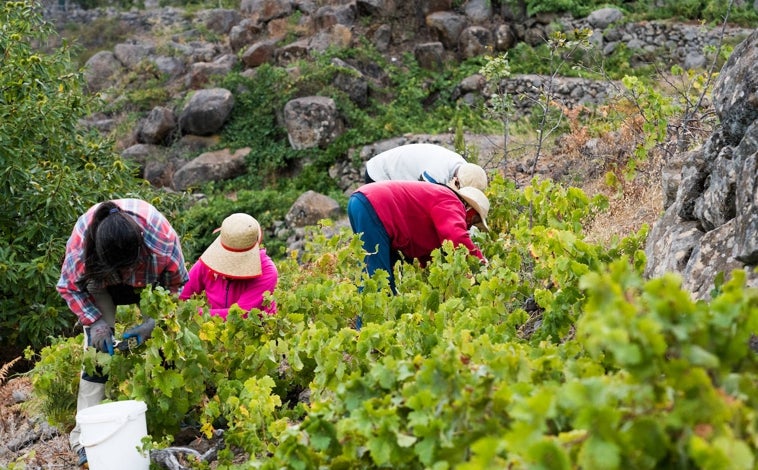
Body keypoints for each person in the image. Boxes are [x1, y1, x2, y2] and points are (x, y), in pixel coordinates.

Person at [56, 198, 188, 468]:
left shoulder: (161, 239)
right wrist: (96, 323)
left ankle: (170, 417)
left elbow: (178, 286)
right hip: (101, 284)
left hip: (150, 282)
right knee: (97, 356)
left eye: (128, 267)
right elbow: (68, 286)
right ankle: (85, 437)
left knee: (165, 344)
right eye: (119, 269)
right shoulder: (82, 245)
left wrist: (154, 323)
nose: (125, 274)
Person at [347, 180, 489, 295]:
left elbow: (425, 252)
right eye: (475, 220)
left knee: (385, 276)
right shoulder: (452, 201)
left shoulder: (439, 197)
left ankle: (378, 325)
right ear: (470, 209)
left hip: (363, 202)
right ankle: (367, 327)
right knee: (377, 279)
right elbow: (456, 237)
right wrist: (480, 263)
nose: (471, 226)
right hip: (375, 205)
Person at [180, 213, 278, 319]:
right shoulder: (209, 262)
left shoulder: (267, 271)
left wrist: (195, 313)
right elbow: (181, 295)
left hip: (256, 331)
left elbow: (240, 314)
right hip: (213, 330)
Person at [364, 143, 488, 191]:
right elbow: (423, 200)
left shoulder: (465, 168)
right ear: (458, 181)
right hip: (379, 173)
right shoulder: (438, 172)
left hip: (399, 176)